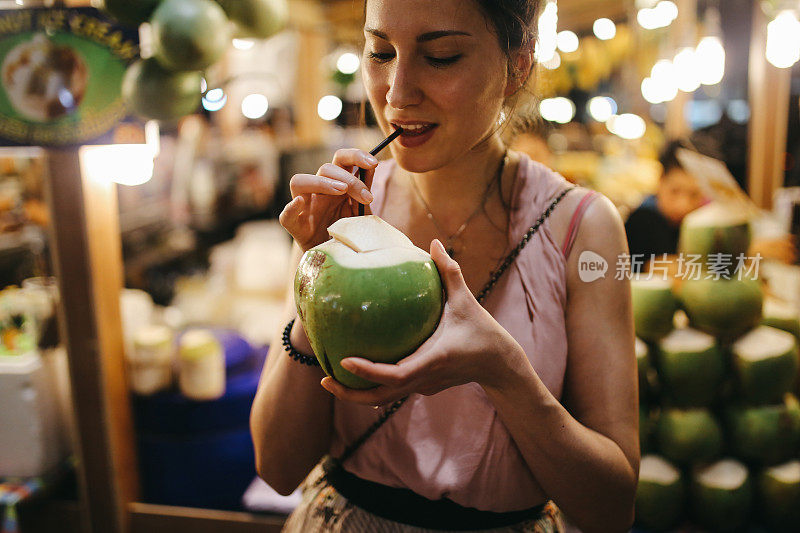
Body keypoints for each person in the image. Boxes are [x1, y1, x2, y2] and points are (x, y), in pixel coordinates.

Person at [250, 2, 639, 532]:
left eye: (441, 56)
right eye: (380, 52)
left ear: (518, 64)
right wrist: (312, 281)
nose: (395, 91)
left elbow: (612, 507)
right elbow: (276, 467)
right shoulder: (346, 216)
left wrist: (503, 372)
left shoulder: (583, 229)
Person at [625, 141, 796, 274]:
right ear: (660, 181)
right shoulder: (644, 219)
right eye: (675, 191)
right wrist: (743, 250)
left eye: (694, 195)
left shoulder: (693, 224)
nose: (683, 205)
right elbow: (668, 269)